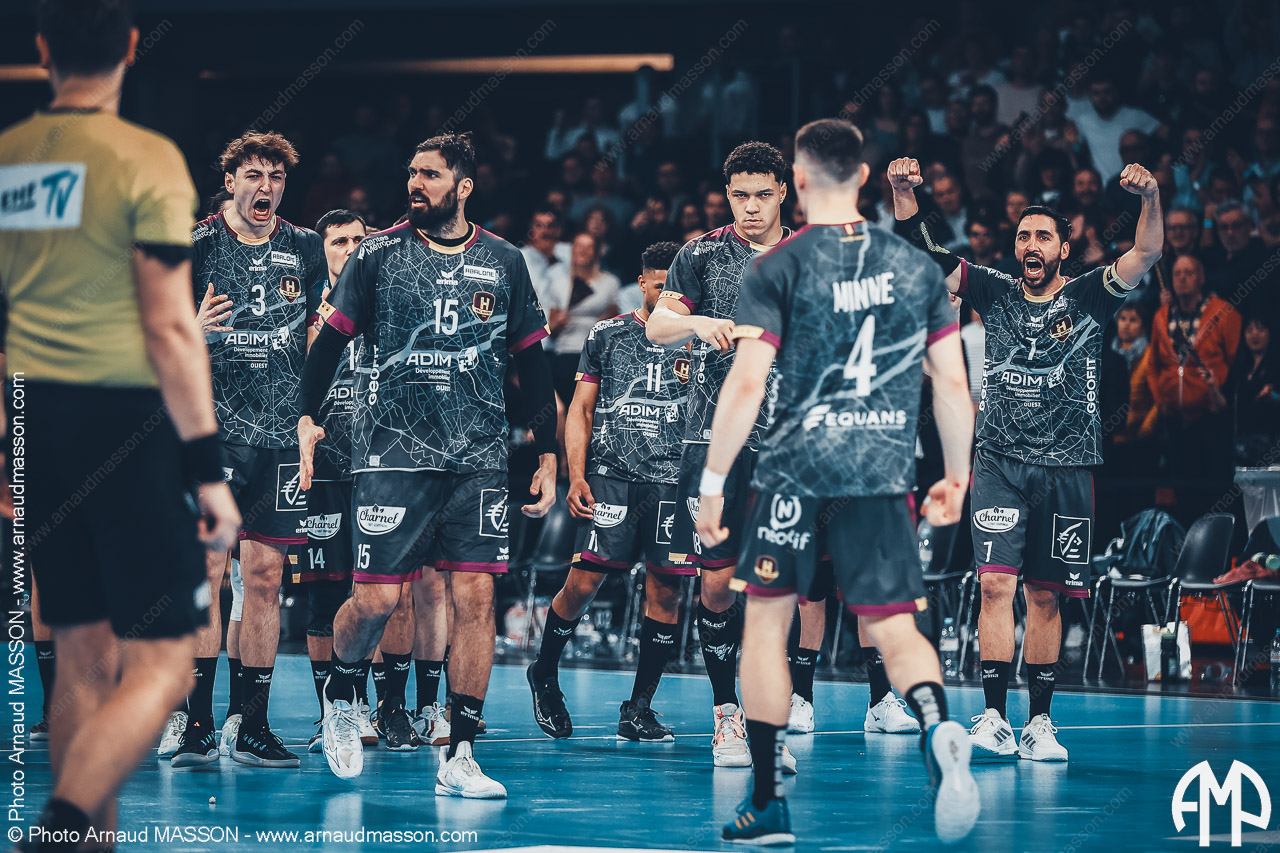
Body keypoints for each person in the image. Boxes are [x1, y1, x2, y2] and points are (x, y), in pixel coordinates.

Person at [699, 119, 979, 845]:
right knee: (892, 623)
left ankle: (767, 803)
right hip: (881, 471)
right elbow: (951, 384)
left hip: (794, 470)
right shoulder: (916, 266)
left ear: (795, 181)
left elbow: (747, 383)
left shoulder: (777, 266)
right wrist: (956, 475)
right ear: (862, 178)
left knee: (766, 625)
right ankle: (936, 725)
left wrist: (713, 480)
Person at [0, 1, 239, 847]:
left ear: (41, 49)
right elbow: (171, 327)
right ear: (132, 47)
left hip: (33, 420)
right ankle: (64, 822)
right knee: (169, 661)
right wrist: (207, 469)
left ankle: (84, 842)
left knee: (81, 652)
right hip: (121, 421)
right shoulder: (146, 158)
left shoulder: (10, 158)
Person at [299, 133, 558, 792]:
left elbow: (531, 362)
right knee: (376, 601)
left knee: (477, 597)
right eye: (412, 172)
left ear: (463, 186)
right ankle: (342, 691)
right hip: (393, 456)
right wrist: (306, 416)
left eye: (431, 175)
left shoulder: (504, 260)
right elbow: (327, 346)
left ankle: (460, 754)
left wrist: (549, 451)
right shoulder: (377, 253)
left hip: (479, 458)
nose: (416, 183)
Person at [889, 152, 1163, 762]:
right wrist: (905, 194)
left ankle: (1039, 723)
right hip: (999, 463)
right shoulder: (994, 289)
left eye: (1042, 236)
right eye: (1022, 236)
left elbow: (1146, 253)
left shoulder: (1092, 294)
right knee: (994, 585)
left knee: (1045, 596)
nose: (1030, 244)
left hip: (1067, 468)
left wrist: (1149, 198)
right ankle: (993, 716)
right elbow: (926, 256)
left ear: (1064, 248)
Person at [646, 142, 821, 768]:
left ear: (783, 193)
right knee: (717, 584)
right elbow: (657, 328)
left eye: (762, 195)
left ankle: (767, 724)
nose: (750, 207)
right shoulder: (699, 254)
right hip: (712, 441)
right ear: (727, 196)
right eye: (739, 196)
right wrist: (698, 324)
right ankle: (727, 716)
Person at [172, 129, 327, 770]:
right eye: (254, 175)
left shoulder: (306, 247)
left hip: (282, 436)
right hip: (214, 434)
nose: (266, 187)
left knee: (264, 580)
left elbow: (320, 332)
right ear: (230, 181)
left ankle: (253, 725)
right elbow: (154, 335)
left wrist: (312, 415)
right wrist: (193, 331)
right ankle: (196, 724)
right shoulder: (196, 245)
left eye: (276, 177)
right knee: (209, 577)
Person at [527, 241, 697, 744]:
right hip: (612, 475)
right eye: (660, 286)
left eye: (676, 289)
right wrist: (577, 476)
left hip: (673, 482)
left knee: (666, 589)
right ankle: (544, 671)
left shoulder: (700, 340)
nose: (668, 296)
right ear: (641, 284)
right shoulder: (607, 334)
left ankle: (638, 707)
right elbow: (580, 410)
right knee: (584, 582)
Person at [298, 209, 381, 753]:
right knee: (324, 594)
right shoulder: (304, 310)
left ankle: (359, 703)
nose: (350, 249)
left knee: (373, 592)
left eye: (358, 240)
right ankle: (327, 711)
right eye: (339, 241)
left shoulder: (386, 301)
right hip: (322, 466)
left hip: (379, 465)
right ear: (322, 250)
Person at [1227, 317, 1280, 468]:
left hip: (1270, 441)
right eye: (1249, 330)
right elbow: (1227, 402)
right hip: (1242, 443)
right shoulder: (1240, 368)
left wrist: (1273, 396)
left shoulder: (1276, 365)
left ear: (1270, 333)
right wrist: (1211, 385)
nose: (1254, 334)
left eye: (1260, 329)